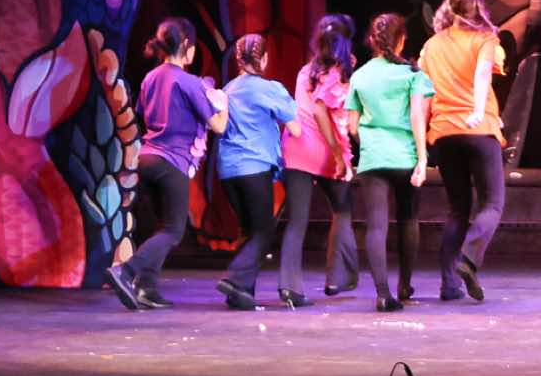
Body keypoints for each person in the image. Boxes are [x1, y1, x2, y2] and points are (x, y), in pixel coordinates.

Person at [110, 18, 229, 309]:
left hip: (146, 159)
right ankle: (126, 271)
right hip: (171, 162)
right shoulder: (188, 82)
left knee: (164, 227)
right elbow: (218, 126)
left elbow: (142, 114)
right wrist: (223, 103)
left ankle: (147, 288)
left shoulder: (150, 78)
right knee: (174, 230)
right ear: (186, 46)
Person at [420, 0, 509, 302]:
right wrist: (477, 111)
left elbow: (423, 92)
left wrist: (422, 140)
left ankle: (449, 285)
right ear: (477, 9)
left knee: (458, 209)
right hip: (479, 129)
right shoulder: (485, 39)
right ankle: (468, 258)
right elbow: (484, 72)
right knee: (493, 203)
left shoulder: (432, 46)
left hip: (444, 133)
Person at [346, 13, 434, 312]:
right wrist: (422, 158)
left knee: (376, 225)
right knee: (408, 218)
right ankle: (404, 285)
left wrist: (370, 144)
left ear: (372, 40)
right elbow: (418, 116)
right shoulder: (412, 75)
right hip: (404, 156)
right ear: (402, 40)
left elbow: (351, 126)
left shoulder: (359, 76)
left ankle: (383, 294)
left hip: (374, 157)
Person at [276, 15, 359, 308]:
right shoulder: (336, 71)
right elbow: (322, 110)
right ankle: (338, 276)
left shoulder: (306, 70)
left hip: (295, 149)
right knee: (343, 207)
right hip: (321, 151)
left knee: (297, 220)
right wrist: (337, 154)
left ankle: (289, 287)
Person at [214, 33, 299, 310]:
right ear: (264, 58)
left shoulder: (227, 89)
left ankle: (241, 293)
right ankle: (234, 278)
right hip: (255, 166)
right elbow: (296, 128)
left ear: (238, 60)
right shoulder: (269, 89)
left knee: (249, 230)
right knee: (264, 232)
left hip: (228, 170)